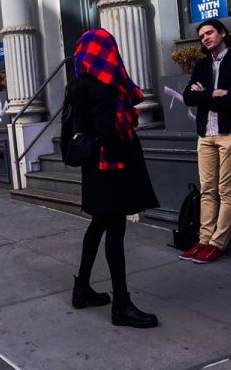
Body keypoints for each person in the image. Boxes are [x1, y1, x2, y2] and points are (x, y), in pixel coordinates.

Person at [68, 28, 160, 328]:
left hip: (93, 167)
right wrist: (128, 155)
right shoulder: (104, 86)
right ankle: (121, 304)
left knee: (98, 224)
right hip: (112, 167)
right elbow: (108, 133)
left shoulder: (78, 84)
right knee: (115, 231)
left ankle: (81, 288)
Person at [180, 18, 231, 264]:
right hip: (206, 135)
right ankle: (203, 241)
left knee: (226, 191)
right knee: (208, 191)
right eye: (201, 36)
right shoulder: (201, 65)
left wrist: (203, 95)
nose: (206, 38)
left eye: (209, 33)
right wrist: (212, 93)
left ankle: (218, 244)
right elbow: (188, 98)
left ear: (222, 32)